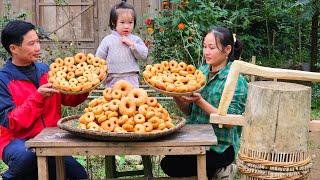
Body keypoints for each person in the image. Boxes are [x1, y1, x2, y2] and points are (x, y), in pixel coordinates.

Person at [0, 20, 88, 180]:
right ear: (13, 48)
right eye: (31, 43)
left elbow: (69, 99)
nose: (38, 47)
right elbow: (11, 122)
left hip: (49, 138)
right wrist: (38, 97)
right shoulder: (3, 80)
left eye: (38, 41)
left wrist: (84, 86)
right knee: (27, 157)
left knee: (79, 175)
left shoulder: (46, 70)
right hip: (17, 141)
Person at [160, 27, 248, 179]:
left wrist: (200, 101)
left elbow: (230, 122)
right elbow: (189, 111)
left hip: (220, 147)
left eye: (212, 47)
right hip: (195, 140)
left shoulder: (236, 81)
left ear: (227, 50)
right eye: (204, 47)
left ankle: (221, 170)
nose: (206, 52)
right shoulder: (200, 72)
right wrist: (176, 95)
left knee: (179, 166)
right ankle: (209, 173)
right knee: (168, 163)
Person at [95, 1, 148, 88]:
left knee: (132, 100)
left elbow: (144, 55)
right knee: (113, 100)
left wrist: (132, 44)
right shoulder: (108, 40)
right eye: (122, 22)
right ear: (114, 22)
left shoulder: (135, 39)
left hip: (131, 77)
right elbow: (98, 59)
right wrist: (98, 74)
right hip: (112, 78)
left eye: (130, 22)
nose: (126, 26)